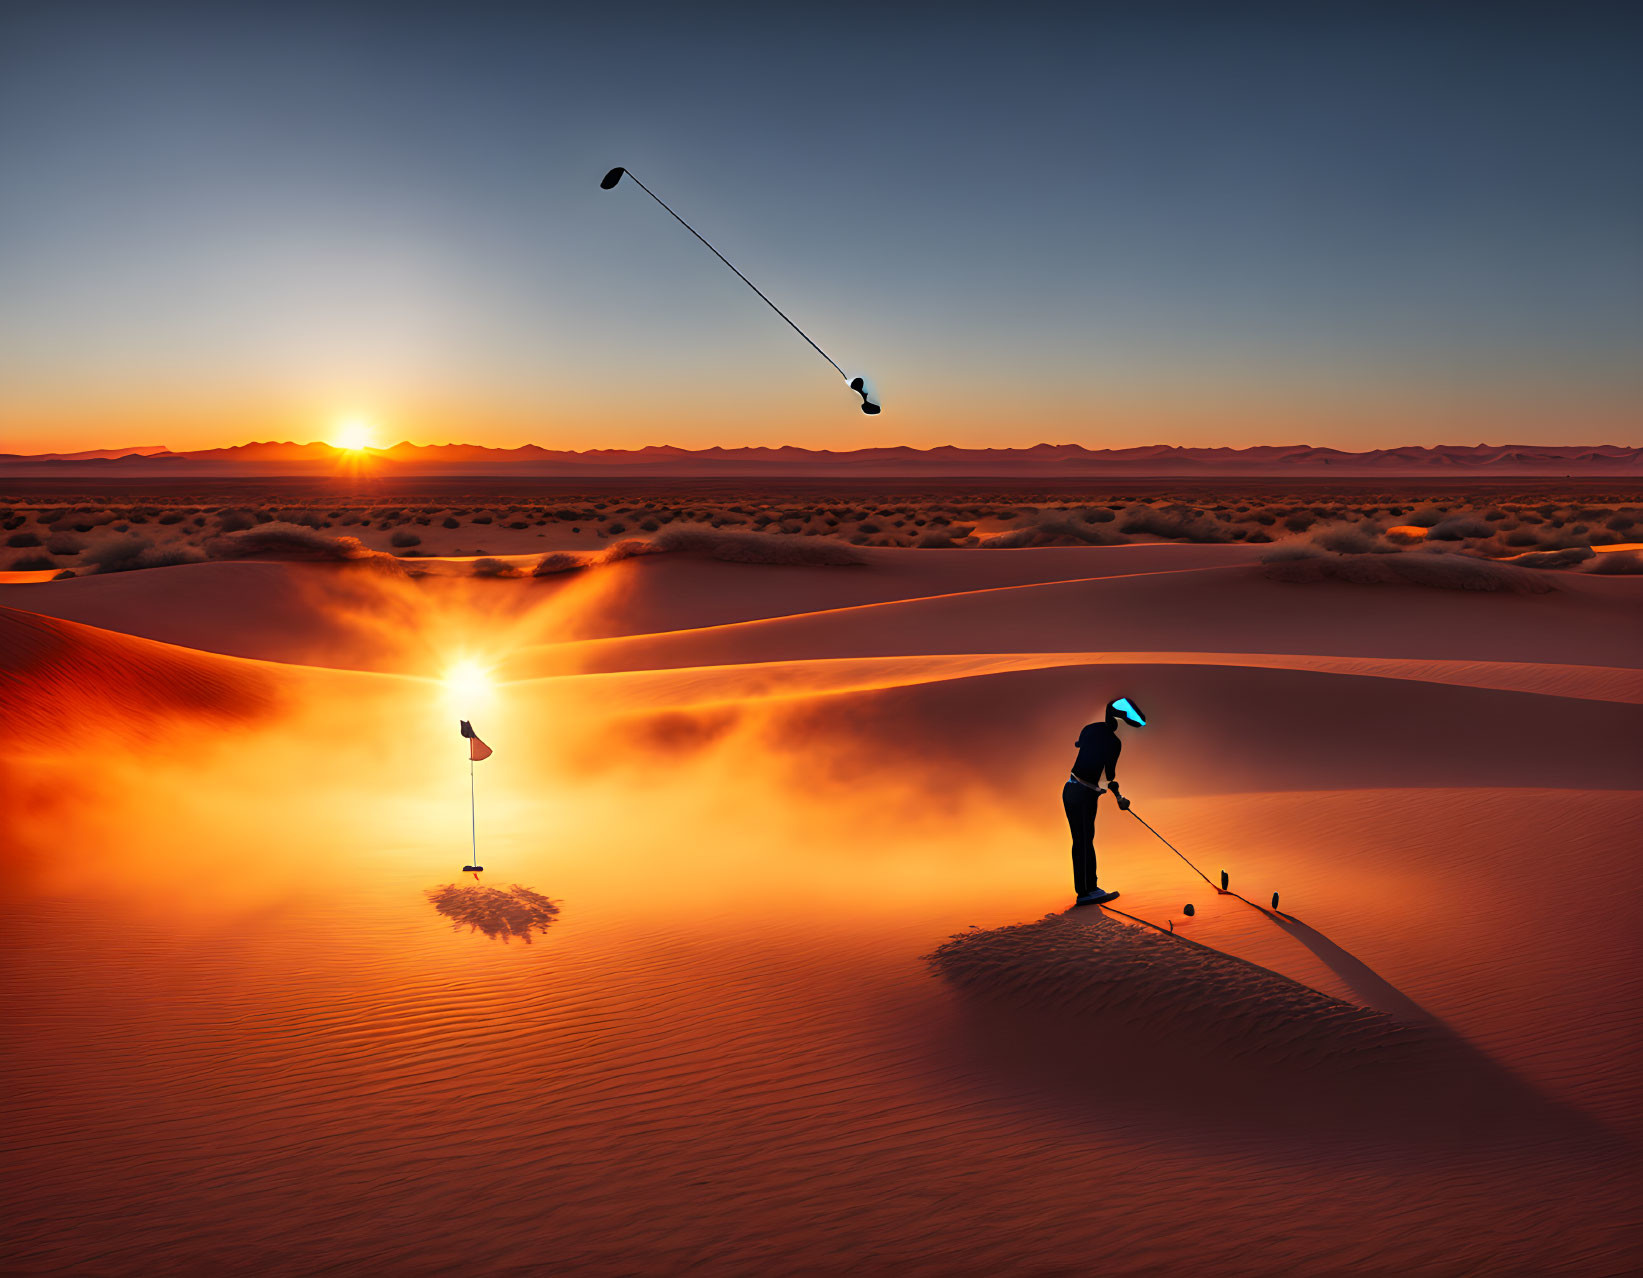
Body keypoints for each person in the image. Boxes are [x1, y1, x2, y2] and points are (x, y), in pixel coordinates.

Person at [1063, 697, 1146, 905]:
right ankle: (1087, 892)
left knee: (1080, 841)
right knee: (1085, 841)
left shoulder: (1091, 728)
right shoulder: (1114, 743)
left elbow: (1078, 744)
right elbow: (1109, 776)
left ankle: (1087, 889)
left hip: (1070, 789)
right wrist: (1118, 796)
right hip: (1085, 795)